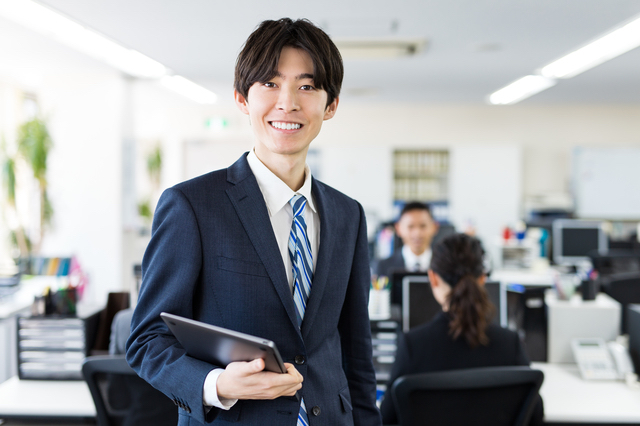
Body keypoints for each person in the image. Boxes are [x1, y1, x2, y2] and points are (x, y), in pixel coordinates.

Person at [126, 18, 382, 426]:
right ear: (242, 98)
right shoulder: (191, 205)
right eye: (269, 83)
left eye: (307, 86)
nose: (287, 103)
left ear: (330, 105)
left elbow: (355, 351)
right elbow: (146, 341)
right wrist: (218, 385)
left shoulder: (347, 214)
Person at [379, 233, 543, 425]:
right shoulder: (510, 344)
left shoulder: (413, 345)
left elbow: (386, 419)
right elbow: (535, 415)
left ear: (432, 278)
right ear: (482, 279)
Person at [376, 201, 439, 277]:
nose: (417, 233)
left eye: (423, 226)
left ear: (435, 227)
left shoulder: (446, 266)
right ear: (398, 228)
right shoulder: (384, 267)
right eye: (410, 226)